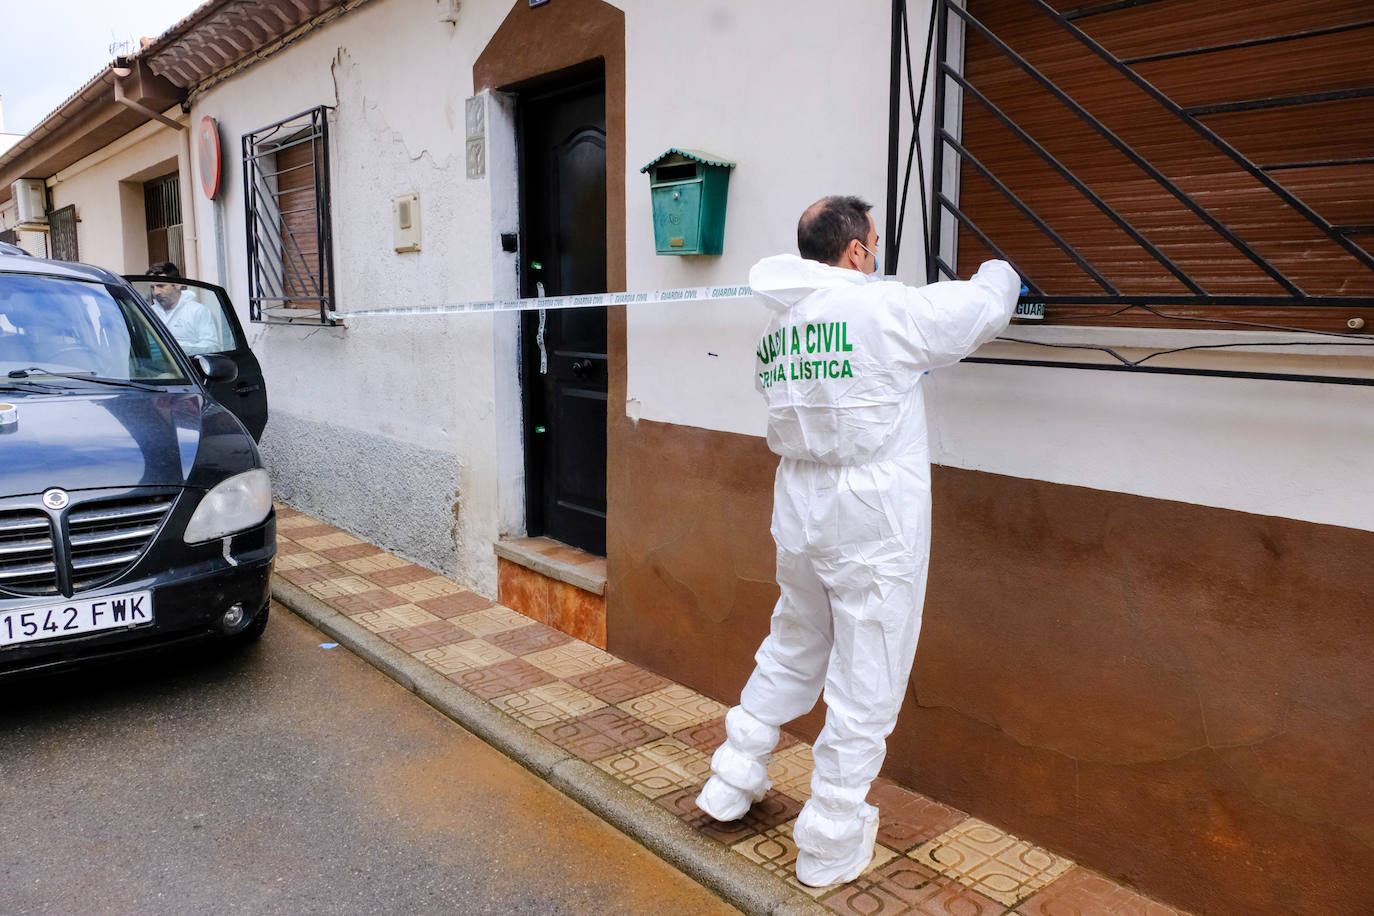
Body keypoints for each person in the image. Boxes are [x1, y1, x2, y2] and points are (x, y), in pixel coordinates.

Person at [696, 196, 1020, 887]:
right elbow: (980, 311)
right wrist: (1001, 268)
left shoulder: (777, 329)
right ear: (856, 252)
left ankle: (733, 775)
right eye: (873, 243)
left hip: (801, 507)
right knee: (867, 668)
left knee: (794, 639)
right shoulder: (883, 310)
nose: (876, 255)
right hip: (873, 514)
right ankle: (831, 835)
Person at [146, 261, 221, 354]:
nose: (156, 292)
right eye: (152, 288)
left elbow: (212, 347)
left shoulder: (198, 312)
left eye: (161, 286)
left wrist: (174, 348)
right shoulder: (149, 313)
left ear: (177, 285)